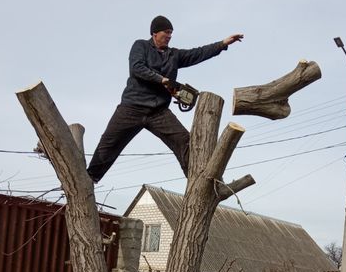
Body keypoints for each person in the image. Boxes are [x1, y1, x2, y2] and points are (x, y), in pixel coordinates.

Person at [87, 16, 243, 183]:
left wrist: (222, 44)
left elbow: (197, 53)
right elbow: (137, 67)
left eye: (171, 33)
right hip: (132, 107)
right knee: (108, 144)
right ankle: (89, 179)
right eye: (166, 32)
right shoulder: (140, 46)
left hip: (158, 112)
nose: (169, 36)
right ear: (155, 33)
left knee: (184, 141)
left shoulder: (173, 55)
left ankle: (197, 181)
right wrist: (162, 80)